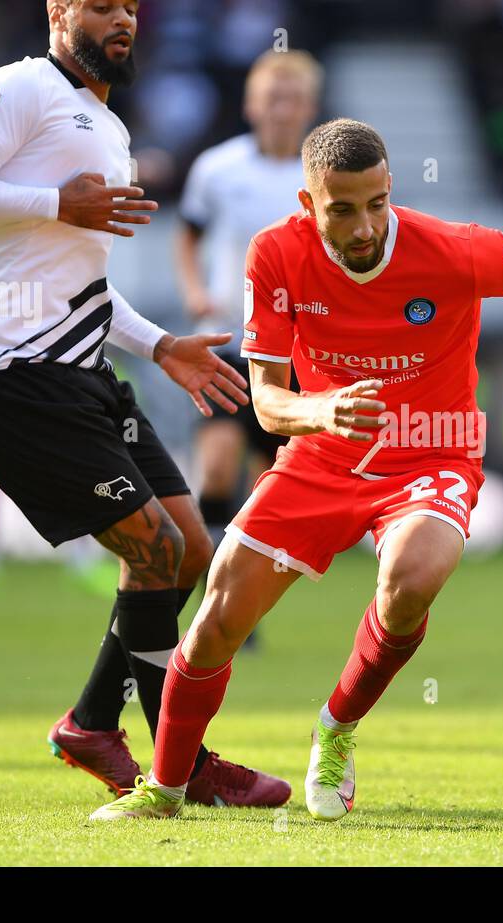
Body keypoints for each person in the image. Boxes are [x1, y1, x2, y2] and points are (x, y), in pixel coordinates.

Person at [90, 118, 503, 823]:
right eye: (343, 208)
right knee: (218, 615)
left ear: (390, 188)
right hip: (321, 452)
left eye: (377, 203)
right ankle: (165, 788)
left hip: (434, 452)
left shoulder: (454, 251)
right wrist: (323, 413)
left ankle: (336, 729)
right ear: (309, 206)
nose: (365, 225)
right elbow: (270, 402)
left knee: (413, 578)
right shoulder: (276, 254)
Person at [0, 0, 288, 809]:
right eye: (101, 6)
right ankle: (181, 766)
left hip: (83, 374)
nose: (122, 19)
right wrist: (58, 205)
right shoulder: (18, 88)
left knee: (187, 549)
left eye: (130, 8)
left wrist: (162, 348)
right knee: (152, 549)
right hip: (11, 379)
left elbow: (81, 286)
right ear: (57, 13)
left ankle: (91, 722)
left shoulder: (107, 130)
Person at [174, 50, 321, 621]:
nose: (282, 110)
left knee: (268, 486)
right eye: (272, 97)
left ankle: (241, 607)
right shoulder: (217, 168)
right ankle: (212, 587)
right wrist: (193, 289)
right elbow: (187, 235)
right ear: (251, 104)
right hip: (228, 341)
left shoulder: (320, 174)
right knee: (215, 466)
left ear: (310, 107)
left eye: (294, 99)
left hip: (295, 351)